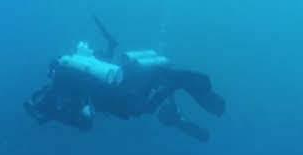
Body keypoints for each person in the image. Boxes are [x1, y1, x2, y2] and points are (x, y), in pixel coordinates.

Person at [24, 15, 226, 141]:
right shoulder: (74, 72)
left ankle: (180, 82)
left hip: (120, 93)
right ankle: (175, 97)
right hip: (120, 76)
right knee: (152, 79)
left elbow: (85, 124)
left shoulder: (65, 91)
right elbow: (100, 63)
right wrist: (111, 45)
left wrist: (58, 116)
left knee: (145, 106)